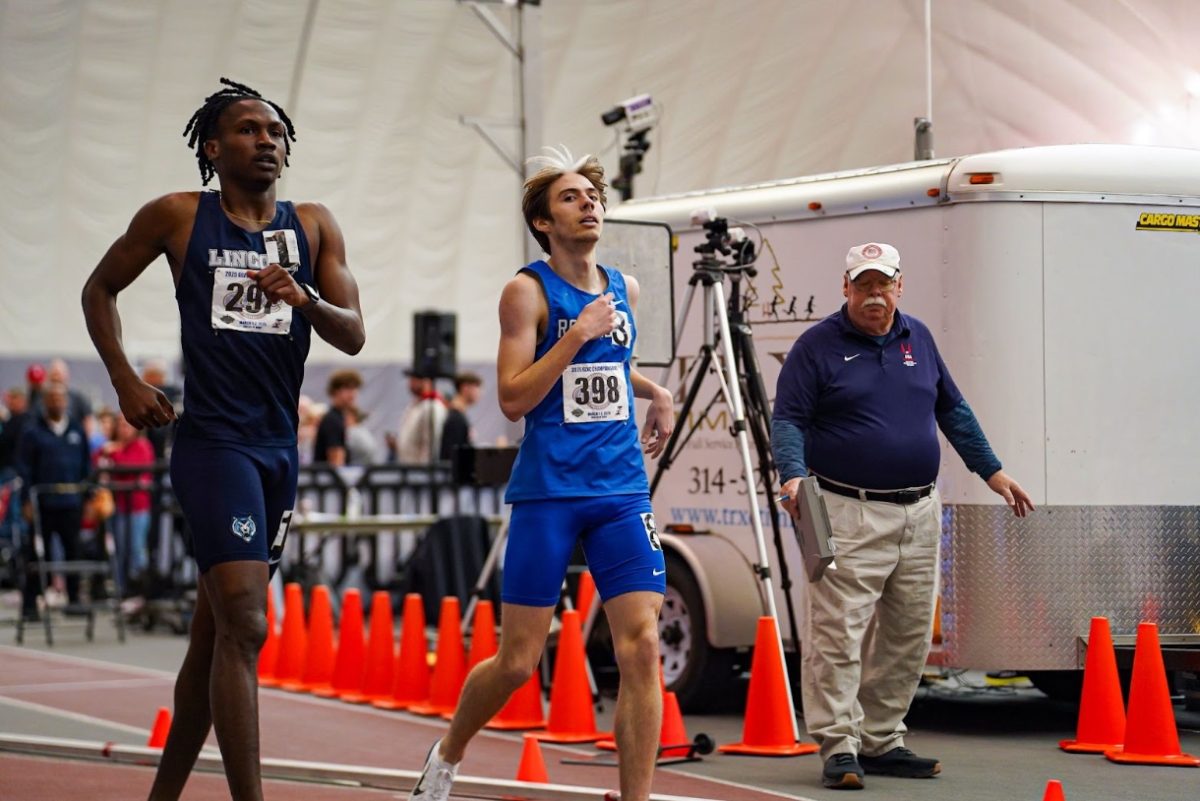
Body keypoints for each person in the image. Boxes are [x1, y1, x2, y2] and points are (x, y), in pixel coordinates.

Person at [80, 78, 365, 801]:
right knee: (245, 623)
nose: (266, 140)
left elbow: (355, 333)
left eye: (274, 131)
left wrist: (305, 295)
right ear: (212, 147)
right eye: (247, 129)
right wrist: (124, 381)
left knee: (215, 637)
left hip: (278, 453)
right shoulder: (178, 217)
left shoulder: (316, 226)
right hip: (214, 447)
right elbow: (99, 288)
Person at [408, 146, 675, 801]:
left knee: (641, 646)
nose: (588, 204)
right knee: (518, 661)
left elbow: (610, 368)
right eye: (570, 198)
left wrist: (656, 393)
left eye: (593, 195)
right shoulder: (526, 290)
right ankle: (447, 753)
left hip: (619, 489)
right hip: (550, 491)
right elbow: (514, 395)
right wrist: (576, 332)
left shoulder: (624, 289)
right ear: (543, 223)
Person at [771, 242, 1034, 790]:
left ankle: (882, 738)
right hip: (845, 508)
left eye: (883, 284)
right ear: (845, 288)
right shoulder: (816, 347)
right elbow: (790, 418)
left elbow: (952, 410)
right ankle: (839, 745)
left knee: (908, 632)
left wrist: (994, 472)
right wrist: (793, 474)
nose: (874, 295)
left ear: (900, 285)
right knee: (838, 633)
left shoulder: (919, 338)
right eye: (863, 285)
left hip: (918, 509)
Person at [15, 381, 91, 620]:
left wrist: (87, 497)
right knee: (37, 555)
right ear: (44, 402)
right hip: (43, 505)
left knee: (73, 551)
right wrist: (27, 500)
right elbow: (24, 469)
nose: (57, 403)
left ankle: (74, 599)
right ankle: (30, 605)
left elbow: (86, 467)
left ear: (66, 402)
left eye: (60, 399)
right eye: (52, 399)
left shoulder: (77, 431)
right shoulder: (33, 433)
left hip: (71, 504)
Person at [96, 414, 156, 592]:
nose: (124, 428)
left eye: (128, 424)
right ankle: (121, 588)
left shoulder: (142, 446)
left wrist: (115, 452)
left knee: (136, 548)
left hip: (138, 508)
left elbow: (132, 467)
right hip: (119, 506)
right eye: (121, 424)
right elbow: (98, 462)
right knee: (119, 549)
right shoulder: (110, 447)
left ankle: (139, 588)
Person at [312, 369, 362, 466]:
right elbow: (336, 463)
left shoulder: (338, 418)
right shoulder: (333, 420)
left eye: (355, 388)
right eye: (348, 388)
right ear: (335, 391)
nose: (353, 393)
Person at [395, 371, 447, 463]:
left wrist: (424, 471)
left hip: (419, 470)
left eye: (415, 380)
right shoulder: (415, 405)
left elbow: (431, 445)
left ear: (428, 381)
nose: (411, 383)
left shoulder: (432, 407)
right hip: (408, 467)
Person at [439, 371, 482, 463]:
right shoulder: (456, 419)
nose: (479, 393)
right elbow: (452, 455)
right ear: (465, 388)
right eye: (476, 387)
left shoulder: (459, 416)